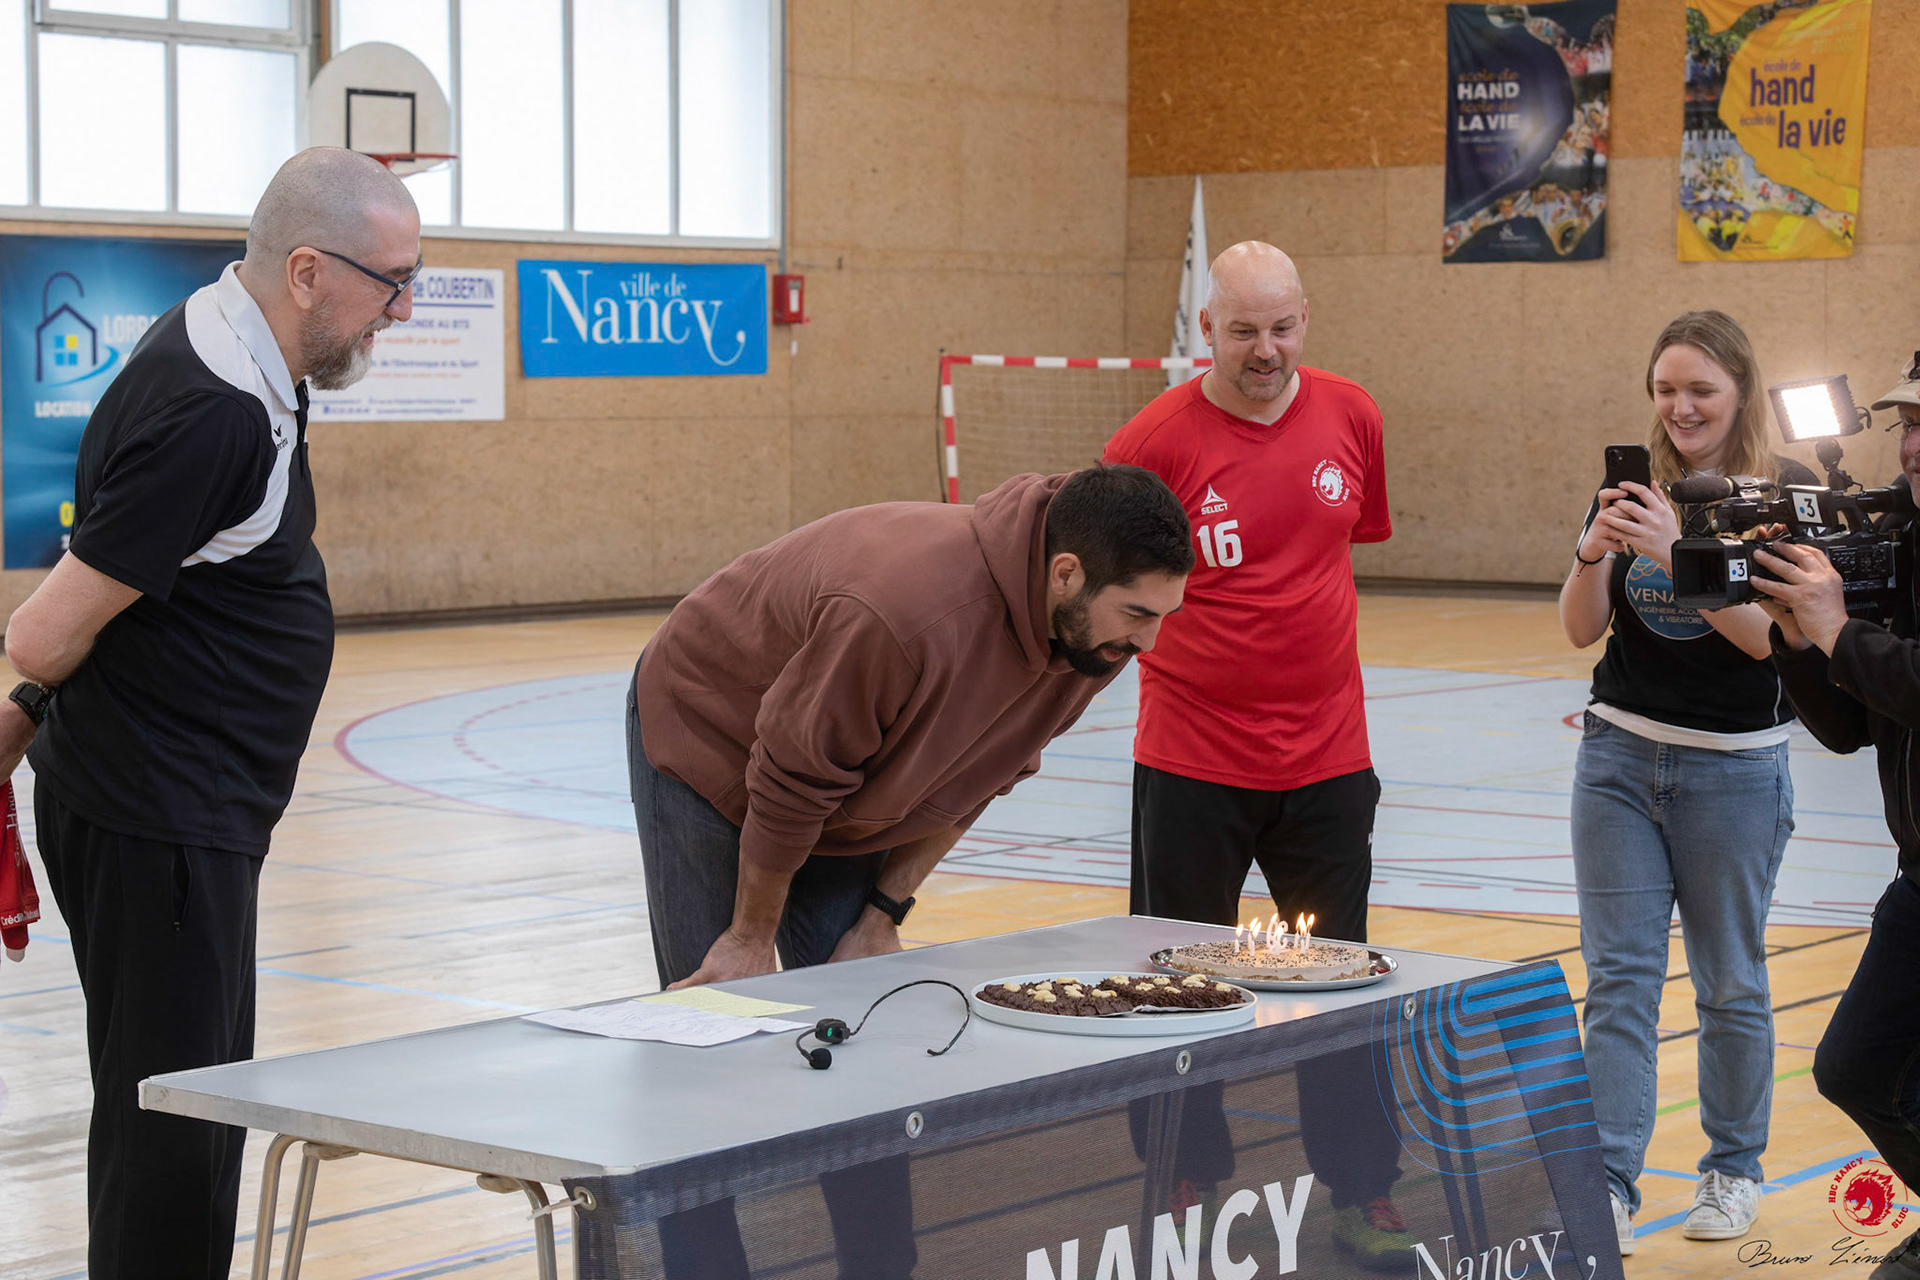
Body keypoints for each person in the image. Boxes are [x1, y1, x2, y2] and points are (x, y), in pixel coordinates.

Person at [0, 148, 421, 1279]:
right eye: (392, 281)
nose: (404, 307)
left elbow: (139, 581)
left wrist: (24, 727)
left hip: (170, 808)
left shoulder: (235, 339)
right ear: (306, 272)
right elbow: (42, 629)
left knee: (163, 1111)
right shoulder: (215, 408)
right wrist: (24, 707)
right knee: (177, 1130)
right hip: (159, 822)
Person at [628, 463, 1192, 1279]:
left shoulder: (1087, 642)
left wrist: (883, 911)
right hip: (709, 737)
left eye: (1165, 616)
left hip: (839, 777)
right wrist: (749, 938)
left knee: (862, 1033)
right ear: (1066, 572)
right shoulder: (904, 612)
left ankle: (882, 1265)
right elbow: (790, 778)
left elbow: (981, 773)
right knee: (711, 1021)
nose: (1150, 643)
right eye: (1139, 613)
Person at [1101, 241, 1406, 1269]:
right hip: (1191, 761)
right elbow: (1107, 589)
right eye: (1243, 330)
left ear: (1305, 319)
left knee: (1345, 982)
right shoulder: (1152, 442)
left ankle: (1364, 1189)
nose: (1265, 349)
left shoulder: (1352, 415)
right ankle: (1181, 1181)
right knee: (1174, 984)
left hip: (1328, 760)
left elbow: (1333, 549)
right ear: (1206, 330)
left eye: (1282, 327)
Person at [1557, 309, 1814, 1255]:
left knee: (1730, 983)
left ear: (1739, 389)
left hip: (1734, 773)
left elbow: (1772, 643)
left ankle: (1732, 1169)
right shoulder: (1634, 488)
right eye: (1666, 389)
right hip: (1619, 755)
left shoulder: (1782, 496)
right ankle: (1609, 1183)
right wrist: (1597, 547)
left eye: (1701, 388)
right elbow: (1581, 629)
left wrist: (1671, 550)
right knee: (1619, 980)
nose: (1681, 406)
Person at [1750, 354, 1920, 1280]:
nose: (1915, 442)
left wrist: (1840, 630)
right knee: (1856, 1068)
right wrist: (1794, 634)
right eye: (1906, 425)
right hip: (1919, 875)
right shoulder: (1904, 542)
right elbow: (1853, 728)